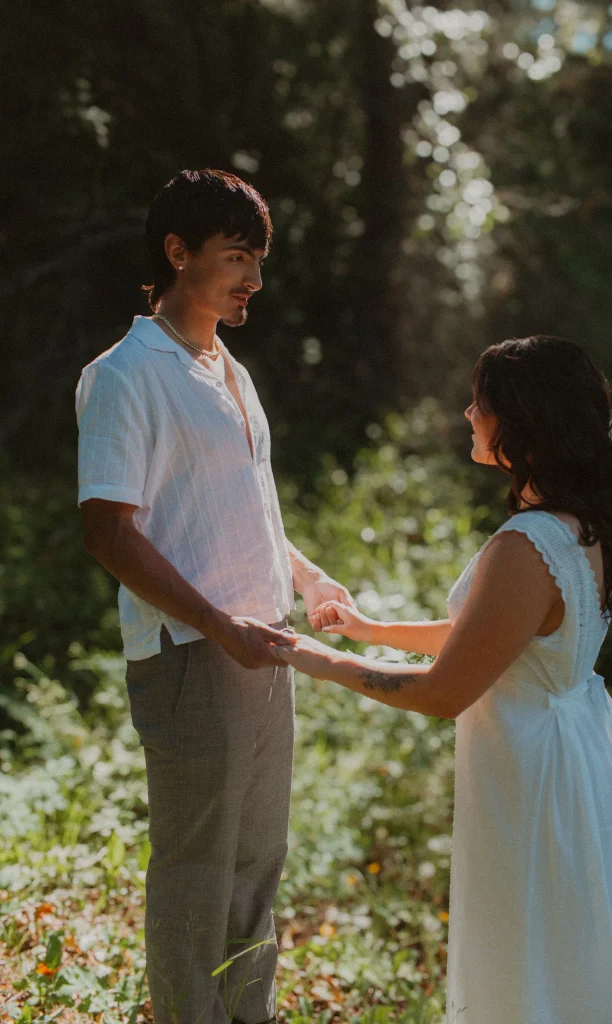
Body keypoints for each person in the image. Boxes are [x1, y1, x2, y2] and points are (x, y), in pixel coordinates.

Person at [280, 336, 612, 1024]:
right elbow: (504, 640)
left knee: (532, 960)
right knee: (570, 957)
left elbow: (444, 691)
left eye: (479, 402)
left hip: (537, 770)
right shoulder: (578, 525)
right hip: (576, 755)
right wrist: (373, 630)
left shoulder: (527, 544)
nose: (467, 414)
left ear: (521, 419)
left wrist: (307, 657)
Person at [75, 168, 353, 1024]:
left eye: (258, 259)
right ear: (177, 251)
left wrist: (306, 578)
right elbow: (108, 531)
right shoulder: (126, 375)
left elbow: (241, 506)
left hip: (264, 645)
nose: (254, 279)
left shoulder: (228, 368)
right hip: (192, 654)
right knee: (197, 873)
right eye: (236, 257)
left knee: (257, 864)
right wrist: (215, 623)